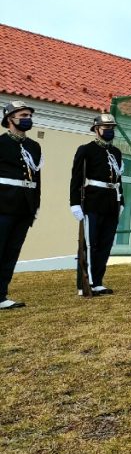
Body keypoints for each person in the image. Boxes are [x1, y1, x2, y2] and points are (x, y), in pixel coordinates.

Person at [69, 113, 124, 296]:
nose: (110, 131)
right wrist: (75, 203)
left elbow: (118, 179)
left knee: (105, 243)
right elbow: (76, 179)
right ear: (96, 129)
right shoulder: (86, 150)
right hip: (93, 200)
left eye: (112, 128)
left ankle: (98, 281)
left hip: (112, 201)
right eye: (106, 128)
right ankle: (85, 282)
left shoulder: (116, 152)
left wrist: (121, 200)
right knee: (90, 243)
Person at [0, 101, 41, 310]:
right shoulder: (1, 143)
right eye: (23, 115)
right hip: (3, 204)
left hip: (25, 206)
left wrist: (36, 205)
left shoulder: (34, 146)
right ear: (10, 119)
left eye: (29, 115)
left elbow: (37, 178)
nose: (27, 119)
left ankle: (1, 295)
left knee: (12, 252)